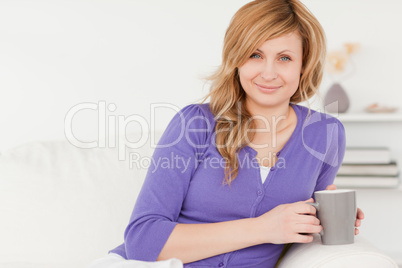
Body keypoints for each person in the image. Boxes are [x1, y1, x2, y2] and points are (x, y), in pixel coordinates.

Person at [107, 0, 364, 267]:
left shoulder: (325, 134)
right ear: (236, 59)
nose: (268, 73)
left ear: (304, 64)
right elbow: (142, 241)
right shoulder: (195, 123)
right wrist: (264, 228)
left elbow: (300, 225)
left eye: (284, 58)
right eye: (255, 55)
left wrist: (325, 218)